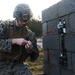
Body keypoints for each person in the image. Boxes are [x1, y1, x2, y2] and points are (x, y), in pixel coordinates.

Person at [0, 3, 39, 75]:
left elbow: (34, 57)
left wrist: (30, 50)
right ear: (16, 17)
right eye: (22, 20)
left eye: (27, 21)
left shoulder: (30, 34)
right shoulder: (4, 27)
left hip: (17, 65)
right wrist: (14, 41)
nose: (24, 23)